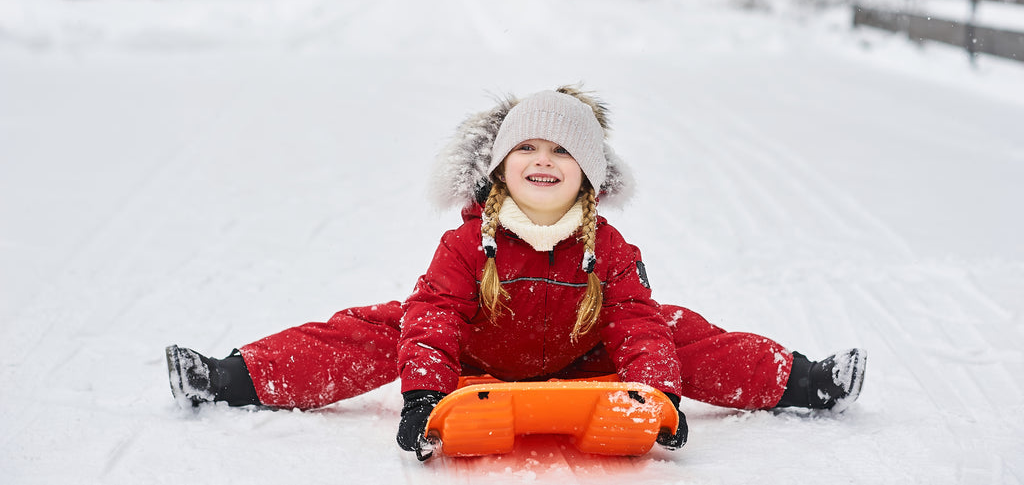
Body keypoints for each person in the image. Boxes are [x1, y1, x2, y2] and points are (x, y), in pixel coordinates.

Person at [166, 86, 867, 460]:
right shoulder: (468, 242)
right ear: (501, 165)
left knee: (681, 331)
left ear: (587, 173)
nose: (543, 159)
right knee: (388, 325)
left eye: (562, 149)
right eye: (527, 146)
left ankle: (806, 379)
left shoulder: (609, 245)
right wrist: (423, 395)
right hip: (479, 352)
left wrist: (659, 397)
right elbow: (438, 312)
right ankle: (232, 376)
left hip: (580, 351)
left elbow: (636, 321)